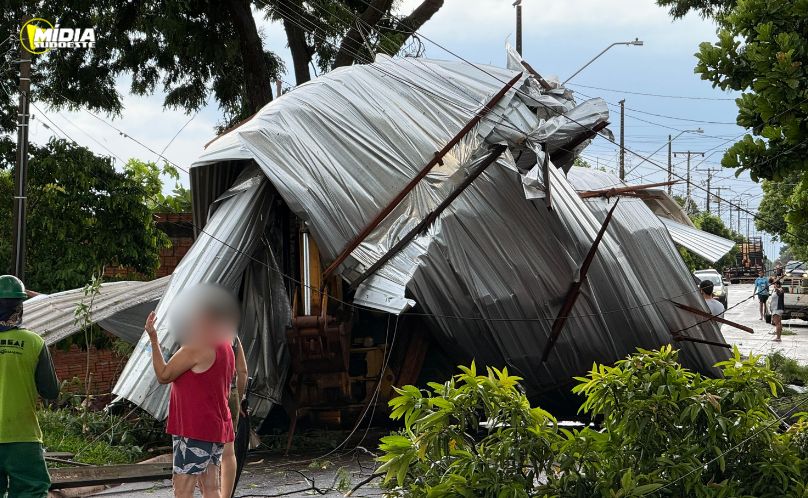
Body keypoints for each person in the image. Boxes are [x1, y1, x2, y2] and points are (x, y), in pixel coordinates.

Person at [146, 284, 239, 498]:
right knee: (211, 487)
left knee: (183, 486)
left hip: (194, 427)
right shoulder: (224, 344)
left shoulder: (197, 346)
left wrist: (153, 339)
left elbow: (164, 375)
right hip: (215, 425)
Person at [0, 275, 59, 498]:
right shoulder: (34, 342)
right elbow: (50, 391)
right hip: (23, 439)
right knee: (31, 492)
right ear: (19, 307)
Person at [221, 337, 248, 498]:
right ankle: (226, 495)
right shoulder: (232, 335)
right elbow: (243, 371)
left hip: (208, 394)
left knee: (208, 447)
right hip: (229, 391)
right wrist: (238, 398)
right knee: (228, 450)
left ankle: (211, 491)